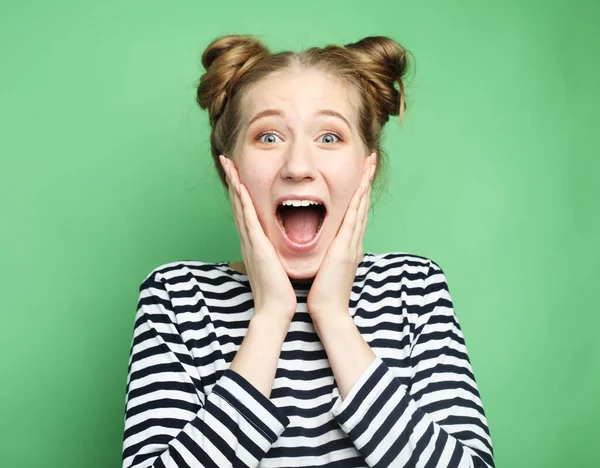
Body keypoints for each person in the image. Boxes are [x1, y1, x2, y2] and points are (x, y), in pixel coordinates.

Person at [121, 34, 494, 468]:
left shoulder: (414, 290)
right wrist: (269, 317)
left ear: (366, 166)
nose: (298, 166)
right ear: (231, 166)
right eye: (269, 136)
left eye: (330, 137)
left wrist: (334, 317)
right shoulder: (176, 297)